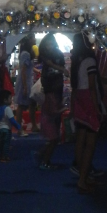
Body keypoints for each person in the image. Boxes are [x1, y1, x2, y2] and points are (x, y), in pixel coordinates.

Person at [70, 33, 102, 193]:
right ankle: (83, 179)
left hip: (79, 99)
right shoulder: (89, 60)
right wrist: (97, 107)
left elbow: (75, 87)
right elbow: (92, 85)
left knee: (81, 139)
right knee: (90, 142)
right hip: (89, 99)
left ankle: (82, 173)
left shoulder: (77, 61)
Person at [37, 33, 67, 169]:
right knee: (52, 132)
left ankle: (42, 155)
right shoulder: (46, 56)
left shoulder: (56, 54)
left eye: (51, 43)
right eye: (48, 43)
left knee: (53, 130)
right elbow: (53, 67)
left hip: (55, 88)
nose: (50, 45)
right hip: (51, 89)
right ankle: (44, 157)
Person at [0, 90, 21, 162]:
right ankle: (4, 156)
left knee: (1, 143)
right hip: (7, 129)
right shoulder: (8, 109)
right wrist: (18, 126)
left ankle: (2, 155)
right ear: (5, 100)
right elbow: (12, 120)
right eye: (10, 99)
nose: (11, 100)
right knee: (6, 143)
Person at [14, 36, 34, 135]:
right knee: (21, 106)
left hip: (25, 81)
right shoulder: (26, 54)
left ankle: (25, 127)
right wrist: (25, 86)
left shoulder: (25, 53)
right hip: (24, 82)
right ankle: (19, 128)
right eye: (33, 38)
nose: (34, 40)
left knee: (26, 104)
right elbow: (23, 70)